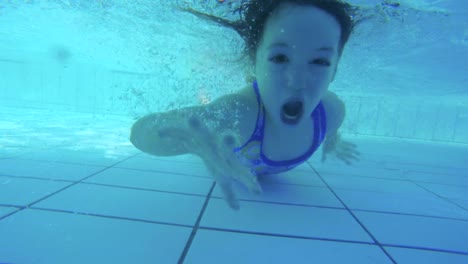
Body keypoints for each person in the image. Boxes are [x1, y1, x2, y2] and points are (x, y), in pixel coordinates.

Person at [130, 0, 360, 210]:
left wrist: (332, 142)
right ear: (254, 59)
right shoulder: (237, 117)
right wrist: (195, 142)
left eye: (320, 61)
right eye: (280, 58)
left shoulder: (331, 113)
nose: (297, 82)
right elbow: (140, 133)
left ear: (335, 70)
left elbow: (334, 129)